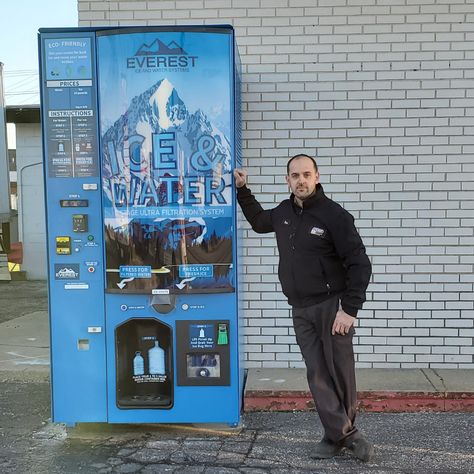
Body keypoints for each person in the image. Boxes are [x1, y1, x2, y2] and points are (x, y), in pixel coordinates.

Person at [234, 154, 374, 462]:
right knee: (317, 374)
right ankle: (341, 435)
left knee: (340, 373)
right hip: (300, 308)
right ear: (287, 180)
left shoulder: (334, 215)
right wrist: (242, 189)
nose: (301, 180)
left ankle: (339, 435)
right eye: (295, 175)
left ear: (317, 177)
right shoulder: (284, 212)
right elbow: (259, 222)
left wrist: (349, 310)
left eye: (306, 174)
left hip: (332, 306)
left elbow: (360, 263)